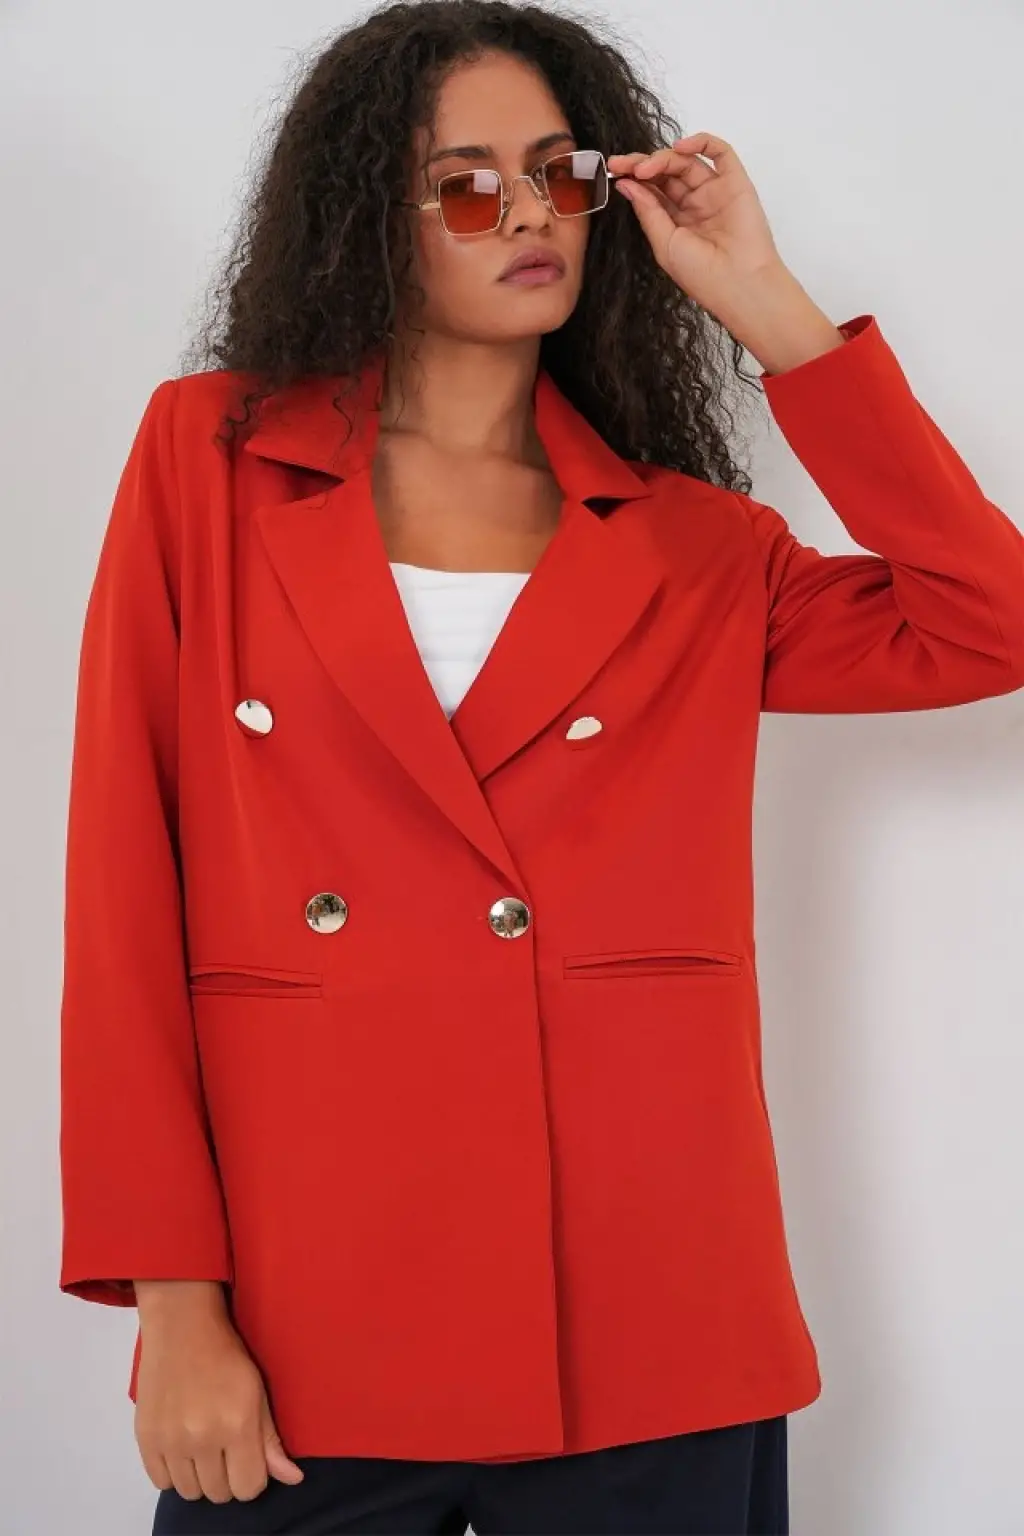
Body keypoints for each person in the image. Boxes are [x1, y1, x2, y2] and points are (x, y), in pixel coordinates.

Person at [57, 2, 1024, 1533]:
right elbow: (123, 895)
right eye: (464, 185)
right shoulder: (210, 461)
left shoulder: (699, 549)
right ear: (365, 223)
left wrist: (765, 301)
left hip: (649, 1321)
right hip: (310, 1321)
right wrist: (176, 1305)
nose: (527, 215)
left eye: (560, 171)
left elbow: (990, 623)